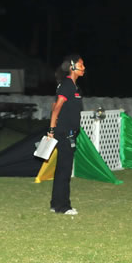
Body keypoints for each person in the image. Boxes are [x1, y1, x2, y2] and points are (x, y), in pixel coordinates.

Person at [47, 54, 86, 215]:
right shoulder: (68, 85)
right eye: (81, 65)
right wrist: (51, 129)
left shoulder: (73, 87)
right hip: (64, 133)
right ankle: (63, 206)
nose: (84, 68)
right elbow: (56, 107)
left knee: (61, 169)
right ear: (72, 67)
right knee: (64, 170)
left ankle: (56, 204)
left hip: (68, 132)